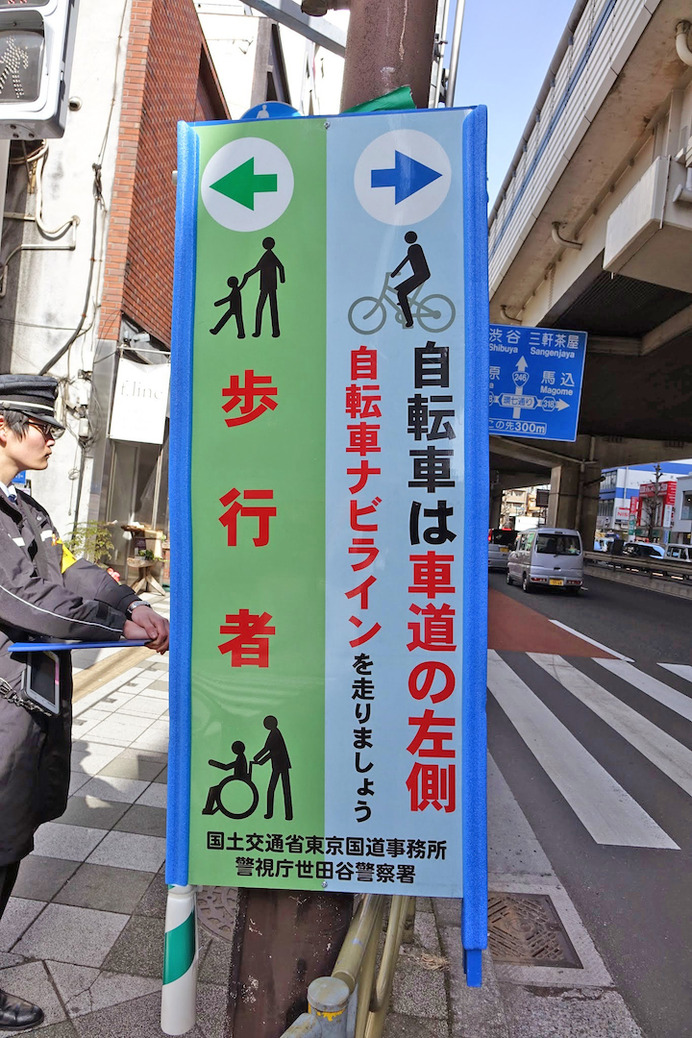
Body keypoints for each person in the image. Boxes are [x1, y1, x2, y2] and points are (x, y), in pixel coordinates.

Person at [0, 374, 169, 1031]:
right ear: (3, 427)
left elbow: (72, 571)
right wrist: (115, 630)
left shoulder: (30, 512)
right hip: (5, 711)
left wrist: (130, 604)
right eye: (42, 427)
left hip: (29, 705)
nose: (51, 439)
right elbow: (26, 604)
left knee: (12, 843)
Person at [241, 237, 285, 338]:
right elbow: (281, 267)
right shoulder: (270, 255)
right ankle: (273, 331)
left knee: (260, 308)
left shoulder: (268, 256)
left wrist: (247, 274)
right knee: (272, 309)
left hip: (267, 286)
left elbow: (258, 268)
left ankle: (259, 332)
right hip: (270, 286)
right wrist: (282, 279)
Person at [253, 714, 292, 821]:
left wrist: (257, 757)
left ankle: (271, 813)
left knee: (272, 790)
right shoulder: (275, 733)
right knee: (285, 790)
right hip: (280, 765)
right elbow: (272, 752)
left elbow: (268, 749)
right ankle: (286, 815)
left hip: (280, 765)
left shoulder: (274, 734)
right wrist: (261, 761)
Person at [391, 230, 431, 328]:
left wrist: (394, 273)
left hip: (421, 274)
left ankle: (409, 321)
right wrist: (394, 273)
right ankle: (404, 303)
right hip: (419, 274)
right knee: (400, 292)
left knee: (401, 293)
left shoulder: (414, 248)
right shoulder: (414, 248)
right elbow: (405, 260)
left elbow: (405, 261)